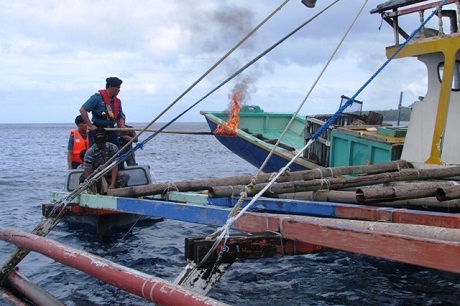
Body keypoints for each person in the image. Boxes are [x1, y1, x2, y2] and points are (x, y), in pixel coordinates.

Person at [79, 77, 125, 148]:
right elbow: (83, 110)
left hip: (111, 131)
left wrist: (121, 125)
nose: (119, 90)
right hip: (98, 130)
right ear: (110, 87)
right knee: (95, 152)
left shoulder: (117, 101)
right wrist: (90, 125)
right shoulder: (97, 98)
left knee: (116, 153)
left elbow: (120, 116)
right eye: (117, 87)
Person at [82, 128, 130, 194]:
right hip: (96, 177)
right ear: (94, 140)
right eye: (98, 142)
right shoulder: (90, 152)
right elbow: (88, 172)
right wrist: (91, 186)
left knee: (125, 175)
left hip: (110, 176)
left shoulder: (113, 148)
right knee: (83, 178)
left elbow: (114, 166)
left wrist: (112, 184)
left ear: (106, 138)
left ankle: (115, 191)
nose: (101, 144)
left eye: (102, 141)